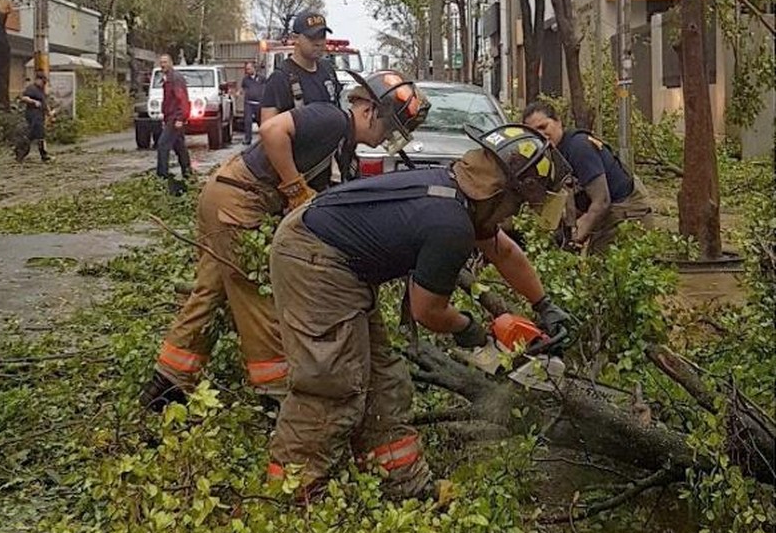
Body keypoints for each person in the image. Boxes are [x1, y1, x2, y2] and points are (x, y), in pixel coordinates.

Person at [265, 123, 573, 502]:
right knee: (333, 383)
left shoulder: (458, 194)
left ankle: (405, 487)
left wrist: (545, 306)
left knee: (385, 383)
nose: (514, 215)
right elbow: (428, 310)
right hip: (313, 258)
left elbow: (504, 252)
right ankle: (289, 497)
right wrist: (473, 331)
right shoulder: (451, 223)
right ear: (502, 194)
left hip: (338, 261)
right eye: (518, 205)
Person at [139, 70, 430, 412]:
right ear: (368, 111)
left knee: (211, 293)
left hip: (225, 196)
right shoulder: (331, 119)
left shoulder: (343, 147)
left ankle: (165, 386)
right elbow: (272, 129)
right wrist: (294, 187)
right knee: (263, 298)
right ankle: (278, 398)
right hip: (241, 201)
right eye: (389, 127)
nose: (387, 137)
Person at [522, 100, 653, 253]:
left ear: (558, 122)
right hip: (606, 209)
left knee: (604, 265)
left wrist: (575, 239)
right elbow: (569, 199)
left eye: (543, 127)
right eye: (534, 132)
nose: (540, 135)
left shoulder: (579, 147)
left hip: (627, 210)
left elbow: (601, 201)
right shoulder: (551, 155)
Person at [260, 9, 341, 125]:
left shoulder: (328, 70)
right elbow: (268, 130)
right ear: (295, 38)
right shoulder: (280, 78)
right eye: (312, 37)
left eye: (322, 36)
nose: (319, 43)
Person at [156, 53, 192, 182]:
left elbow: (182, 99)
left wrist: (180, 118)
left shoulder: (175, 79)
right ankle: (188, 173)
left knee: (162, 145)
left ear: (171, 63)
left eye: (165, 62)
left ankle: (162, 176)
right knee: (179, 146)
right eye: (161, 62)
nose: (163, 65)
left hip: (175, 117)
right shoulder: (167, 79)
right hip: (170, 117)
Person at [16, 71, 53, 163]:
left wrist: (49, 112)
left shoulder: (41, 90)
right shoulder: (31, 88)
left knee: (34, 135)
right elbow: (24, 98)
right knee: (38, 134)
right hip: (33, 114)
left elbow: (44, 102)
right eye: (42, 81)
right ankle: (43, 155)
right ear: (37, 80)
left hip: (40, 115)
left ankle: (21, 152)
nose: (43, 83)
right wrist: (33, 102)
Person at [241, 61, 265, 145]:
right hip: (249, 103)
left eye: (249, 69)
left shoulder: (262, 78)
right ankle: (248, 139)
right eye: (246, 69)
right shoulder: (245, 79)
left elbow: (266, 87)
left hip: (259, 103)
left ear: (254, 68)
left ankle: (264, 138)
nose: (248, 70)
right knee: (248, 121)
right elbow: (243, 89)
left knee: (260, 121)